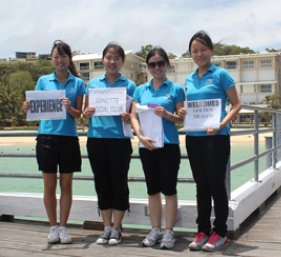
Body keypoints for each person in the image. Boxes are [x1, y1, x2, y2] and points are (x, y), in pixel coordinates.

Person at [178, 31, 241, 252]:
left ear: (211, 51)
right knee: (201, 186)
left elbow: (236, 104)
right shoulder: (189, 79)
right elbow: (190, 107)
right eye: (195, 50)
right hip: (194, 137)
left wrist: (222, 124)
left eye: (203, 49)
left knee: (216, 185)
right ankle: (203, 230)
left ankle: (220, 232)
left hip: (217, 138)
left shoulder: (222, 75)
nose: (199, 54)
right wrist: (184, 110)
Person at [22, 40, 85, 244]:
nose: (60, 60)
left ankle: (64, 227)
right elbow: (35, 109)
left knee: (66, 185)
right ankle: (53, 227)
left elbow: (79, 114)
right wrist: (27, 107)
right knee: (49, 186)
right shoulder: (43, 81)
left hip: (68, 138)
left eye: (63, 56)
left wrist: (69, 108)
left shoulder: (78, 83)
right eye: (56, 56)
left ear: (69, 58)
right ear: (52, 59)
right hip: (46, 137)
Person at [130, 47, 185, 249]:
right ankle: (155, 229)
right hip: (147, 145)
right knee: (152, 189)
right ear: (148, 67)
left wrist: (167, 115)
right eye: (152, 64)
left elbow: (181, 119)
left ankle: (169, 231)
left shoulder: (176, 89)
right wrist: (140, 136)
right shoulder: (140, 90)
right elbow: (134, 117)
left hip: (169, 145)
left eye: (160, 63)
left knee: (169, 189)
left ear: (166, 65)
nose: (156, 67)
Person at [83, 42, 136, 245]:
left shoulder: (130, 85)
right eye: (108, 57)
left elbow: (135, 116)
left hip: (120, 141)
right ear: (103, 59)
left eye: (116, 58)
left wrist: (128, 117)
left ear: (122, 61)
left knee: (119, 183)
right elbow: (85, 113)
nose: (112, 61)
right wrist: (85, 113)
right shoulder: (93, 85)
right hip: (96, 139)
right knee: (102, 184)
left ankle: (117, 228)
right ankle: (106, 227)